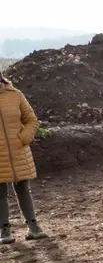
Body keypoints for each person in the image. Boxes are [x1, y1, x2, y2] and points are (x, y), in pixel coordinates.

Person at [0, 71, 48, 244]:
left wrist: (23, 138)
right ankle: (4, 230)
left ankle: (33, 227)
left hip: (19, 151)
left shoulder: (16, 95)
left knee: (23, 189)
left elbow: (32, 120)